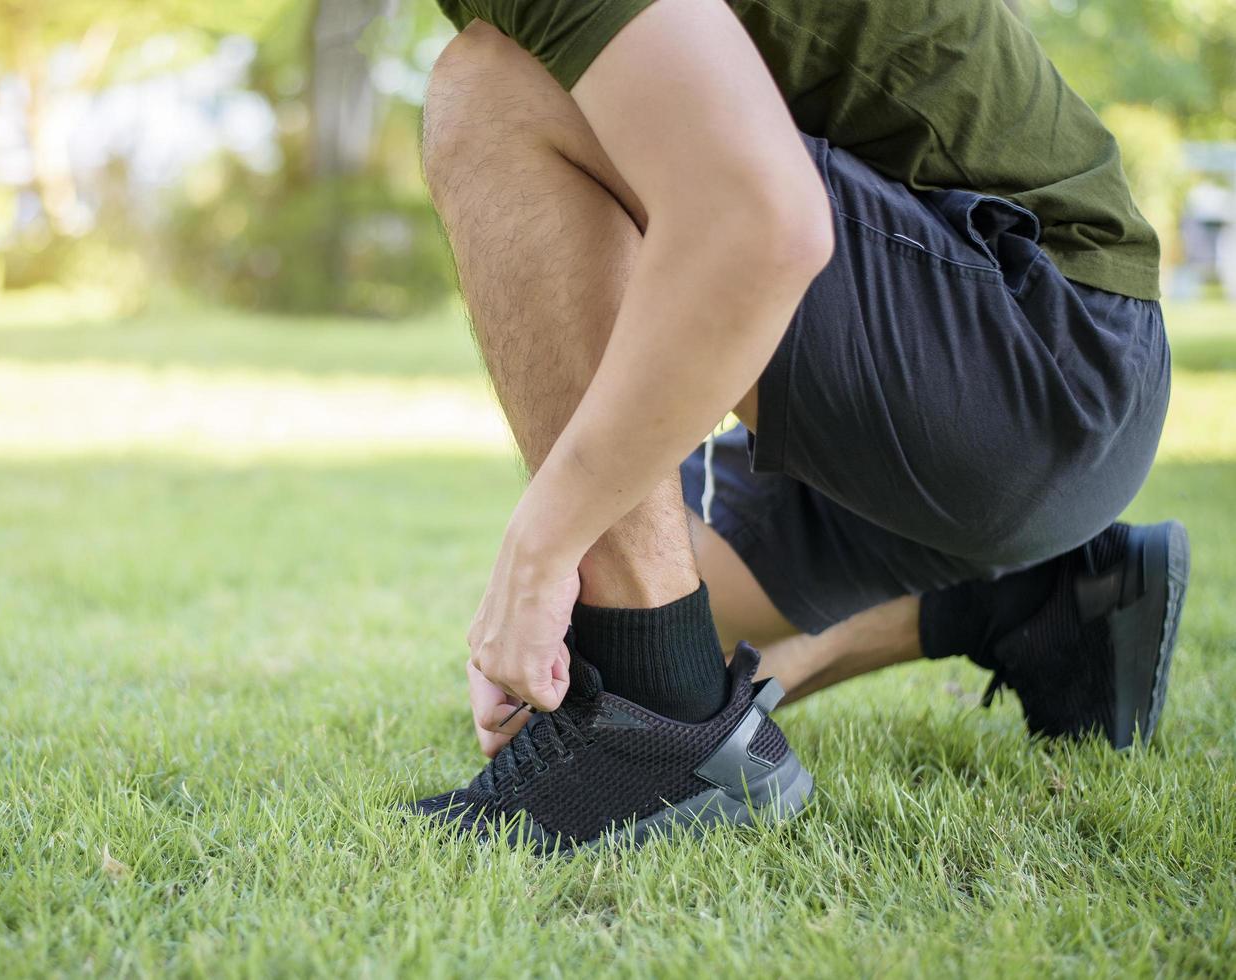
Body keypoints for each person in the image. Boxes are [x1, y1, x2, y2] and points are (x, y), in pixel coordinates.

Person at [410, 0, 1188, 852]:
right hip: (986, 391)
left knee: (490, 84)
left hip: (1039, 353)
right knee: (595, 677)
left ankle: (661, 741)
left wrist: (542, 547)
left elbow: (756, 225)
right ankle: (1035, 594)